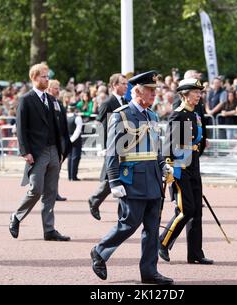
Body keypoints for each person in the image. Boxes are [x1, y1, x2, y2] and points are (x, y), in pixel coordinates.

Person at [90, 71, 174, 285]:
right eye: (150, 90)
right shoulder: (122, 115)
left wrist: (163, 165)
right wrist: (114, 180)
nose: (154, 95)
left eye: (155, 90)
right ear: (137, 91)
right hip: (132, 180)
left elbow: (156, 147)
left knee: (152, 228)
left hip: (154, 180)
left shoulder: (152, 116)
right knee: (129, 224)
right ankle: (100, 251)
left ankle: (149, 272)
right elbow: (112, 151)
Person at [9, 63, 71, 242]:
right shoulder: (26, 99)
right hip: (37, 152)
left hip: (54, 151)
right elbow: (21, 127)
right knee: (36, 189)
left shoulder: (52, 100)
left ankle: (49, 229)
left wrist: (61, 151)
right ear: (34, 78)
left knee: (51, 192)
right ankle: (16, 216)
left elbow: (58, 127)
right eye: (44, 76)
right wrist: (25, 151)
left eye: (47, 76)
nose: (47, 79)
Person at [159, 78, 213, 265]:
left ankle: (195, 253)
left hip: (194, 165)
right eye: (195, 92)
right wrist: (170, 168)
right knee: (186, 209)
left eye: (200, 92)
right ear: (184, 94)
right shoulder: (178, 114)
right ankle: (163, 242)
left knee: (197, 211)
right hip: (180, 167)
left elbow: (199, 139)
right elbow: (169, 145)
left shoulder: (195, 114)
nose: (199, 95)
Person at [88, 73, 128, 220]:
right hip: (111, 147)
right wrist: (102, 146)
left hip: (124, 145)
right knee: (110, 178)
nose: (126, 86)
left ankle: (122, 213)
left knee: (121, 177)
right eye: (122, 83)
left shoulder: (125, 101)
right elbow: (99, 125)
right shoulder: (107, 103)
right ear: (114, 85)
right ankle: (95, 200)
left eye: (126, 83)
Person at [47, 79, 68, 202]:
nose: (58, 90)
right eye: (55, 88)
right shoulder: (46, 102)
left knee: (57, 169)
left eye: (58, 88)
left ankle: (55, 192)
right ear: (49, 89)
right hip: (51, 141)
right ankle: (48, 192)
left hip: (60, 140)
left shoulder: (58, 103)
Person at [66, 105, 83, 181]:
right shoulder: (77, 117)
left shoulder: (66, 117)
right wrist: (72, 139)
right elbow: (78, 130)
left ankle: (70, 176)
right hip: (75, 139)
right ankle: (73, 176)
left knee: (70, 157)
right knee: (75, 157)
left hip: (68, 138)